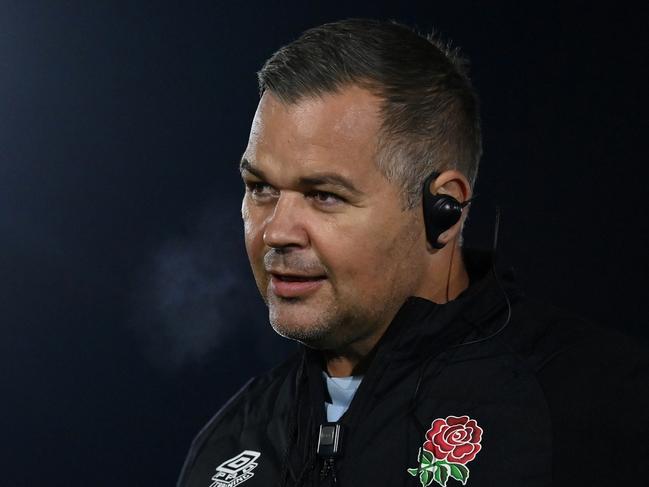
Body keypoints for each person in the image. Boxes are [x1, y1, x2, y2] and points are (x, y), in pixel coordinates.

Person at [177, 18, 649, 487]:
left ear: (443, 210)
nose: (275, 231)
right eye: (260, 188)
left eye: (324, 195)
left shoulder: (594, 402)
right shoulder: (227, 444)